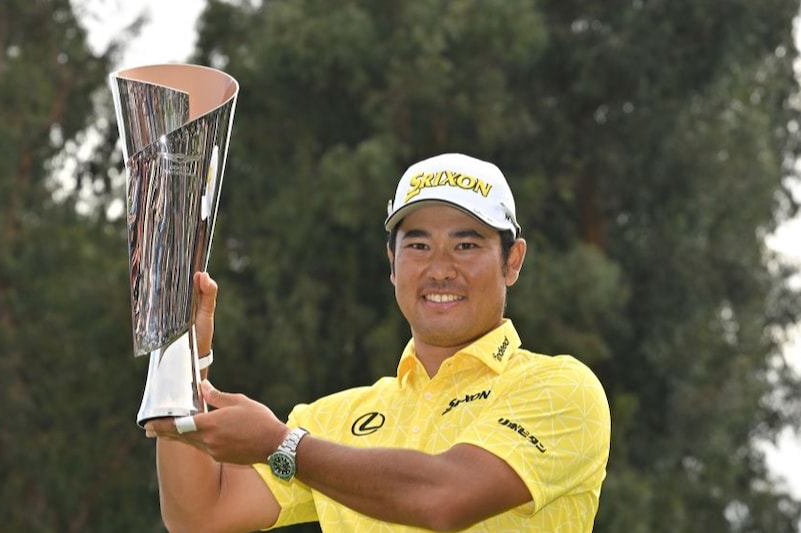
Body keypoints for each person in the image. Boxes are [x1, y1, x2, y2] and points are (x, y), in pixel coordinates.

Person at [145, 153, 612, 532]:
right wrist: (180, 354)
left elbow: (446, 497)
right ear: (392, 264)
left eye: (466, 245)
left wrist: (282, 446)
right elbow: (202, 515)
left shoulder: (561, 388)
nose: (440, 268)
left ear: (512, 261)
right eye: (419, 245)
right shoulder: (334, 419)